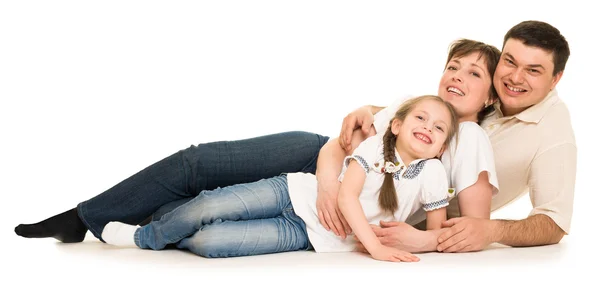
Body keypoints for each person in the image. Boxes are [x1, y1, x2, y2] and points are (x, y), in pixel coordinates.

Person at [15, 38, 501, 253]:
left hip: (339, 209)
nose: (457, 76)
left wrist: (426, 239)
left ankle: (120, 221)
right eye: (453, 66)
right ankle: (83, 218)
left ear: (489, 95)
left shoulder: (471, 138)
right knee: (199, 162)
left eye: (473, 73)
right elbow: (338, 144)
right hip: (318, 164)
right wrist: (331, 187)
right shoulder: (412, 107)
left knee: (213, 209)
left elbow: (471, 227)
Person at [100, 95, 458, 262]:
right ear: (395, 125)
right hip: (293, 194)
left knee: (211, 242)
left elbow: (435, 230)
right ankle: (144, 236)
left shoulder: (433, 173)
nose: (428, 128)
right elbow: (347, 198)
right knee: (211, 204)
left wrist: (416, 240)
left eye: (439, 128)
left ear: (442, 148)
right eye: (421, 119)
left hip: (308, 235)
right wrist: (377, 247)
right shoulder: (374, 146)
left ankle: (174, 226)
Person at [338, 20, 575, 253]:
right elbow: (416, 116)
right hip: (346, 177)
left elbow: (554, 223)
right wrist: (369, 110)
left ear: (555, 79)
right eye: (510, 62)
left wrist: (490, 231)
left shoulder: (551, 131)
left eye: (533, 70)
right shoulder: (489, 94)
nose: (515, 78)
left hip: (373, 212)